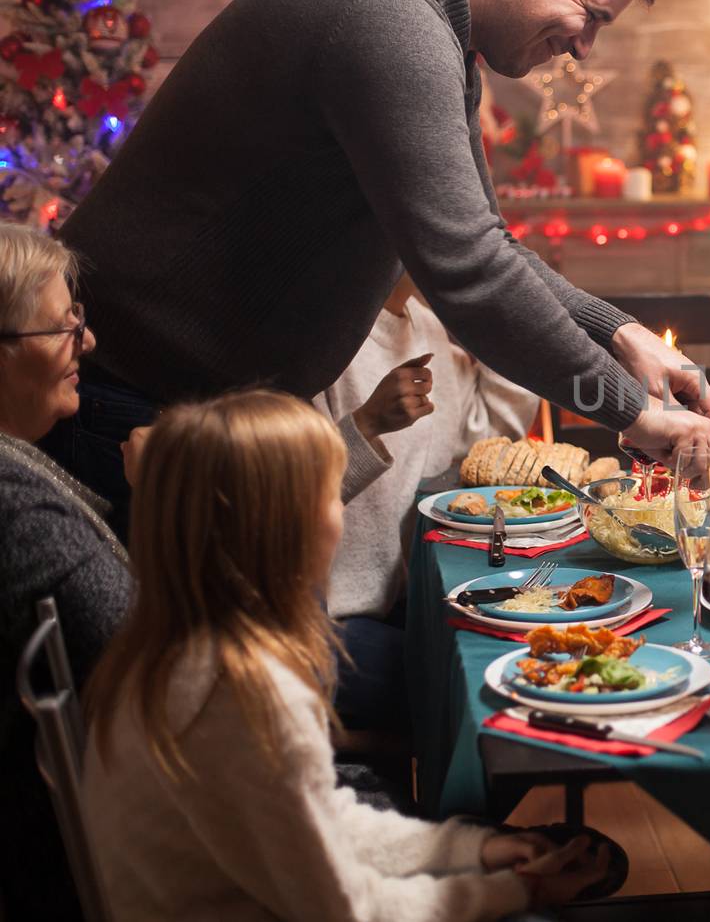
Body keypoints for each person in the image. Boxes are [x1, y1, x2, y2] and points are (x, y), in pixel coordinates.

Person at [50, 0, 710, 535]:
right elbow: (468, 271)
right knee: (169, 644)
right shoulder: (391, 17)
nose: (584, 47)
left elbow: (490, 243)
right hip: (130, 403)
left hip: (187, 406)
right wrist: (636, 414)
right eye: (591, 14)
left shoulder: (434, 24)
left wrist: (623, 333)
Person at [82, 389, 611, 919]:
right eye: (330, 494)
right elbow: (347, 909)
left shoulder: (174, 646)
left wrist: (469, 849)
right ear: (283, 527)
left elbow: (319, 818)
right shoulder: (251, 694)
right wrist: (519, 892)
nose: (341, 510)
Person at [313, 274, 540, 737]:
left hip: (405, 597)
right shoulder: (326, 335)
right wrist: (368, 423)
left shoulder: (427, 327)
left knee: (516, 661)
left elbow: (483, 439)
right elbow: (279, 499)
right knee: (478, 690)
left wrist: (496, 324)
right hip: (319, 620)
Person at [0, 222, 137, 920]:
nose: (86, 342)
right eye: (62, 327)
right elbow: (163, 666)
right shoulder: (14, 503)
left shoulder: (23, 463)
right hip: (111, 863)